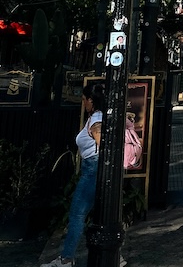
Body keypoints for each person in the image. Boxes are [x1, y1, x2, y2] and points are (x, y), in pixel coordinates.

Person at [43, 81, 106, 267]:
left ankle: (67, 258)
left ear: (91, 101)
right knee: (97, 213)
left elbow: (102, 148)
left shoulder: (96, 121)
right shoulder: (96, 117)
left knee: (77, 214)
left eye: (85, 100)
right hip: (93, 168)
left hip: (92, 169)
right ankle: (112, 255)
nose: (83, 103)